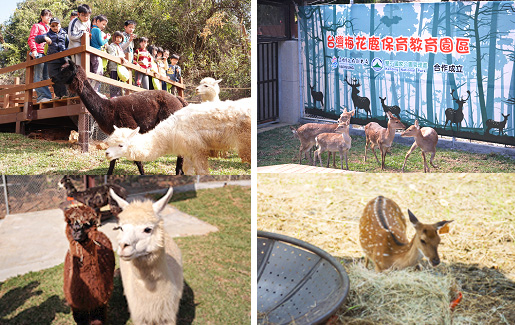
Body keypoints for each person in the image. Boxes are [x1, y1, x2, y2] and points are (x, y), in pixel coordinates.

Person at [35, 17, 69, 99]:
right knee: (54, 77)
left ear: (60, 25)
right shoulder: (48, 34)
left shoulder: (65, 34)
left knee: (64, 76)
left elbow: (69, 44)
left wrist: (66, 53)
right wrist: (44, 38)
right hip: (52, 60)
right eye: (52, 26)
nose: (54, 27)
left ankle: (65, 94)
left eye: (56, 25)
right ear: (50, 26)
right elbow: (36, 39)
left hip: (63, 59)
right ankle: (58, 95)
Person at [27, 9, 52, 102]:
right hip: (39, 52)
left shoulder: (50, 28)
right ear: (41, 16)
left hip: (48, 54)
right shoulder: (36, 26)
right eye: (47, 15)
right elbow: (31, 39)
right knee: (39, 75)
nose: (49, 17)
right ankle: (42, 97)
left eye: (50, 16)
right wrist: (34, 50)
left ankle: (46, 97)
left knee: (46, 76)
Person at [90, 15, 110, 92]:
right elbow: (101, 43)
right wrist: (107, 39)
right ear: (97, 21)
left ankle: (93, 89)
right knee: (99, 72)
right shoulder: (97, 30)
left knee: (94, 71)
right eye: (103, 24)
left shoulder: (92, 29)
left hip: (92, 53)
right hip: (96, 53)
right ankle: (94, 90)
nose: (104, 26)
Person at [106, 31, 127, 97]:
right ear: (114, 37)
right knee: (114, 84)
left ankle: (118, 98)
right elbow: (112, 56)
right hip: (114, 67)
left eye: (120, 38)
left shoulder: (120, 47)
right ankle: (113, 98)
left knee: (119, 85)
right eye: (117, 37)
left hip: (120, 69)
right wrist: (121, 57)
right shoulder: (111, 46)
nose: (119, 39)